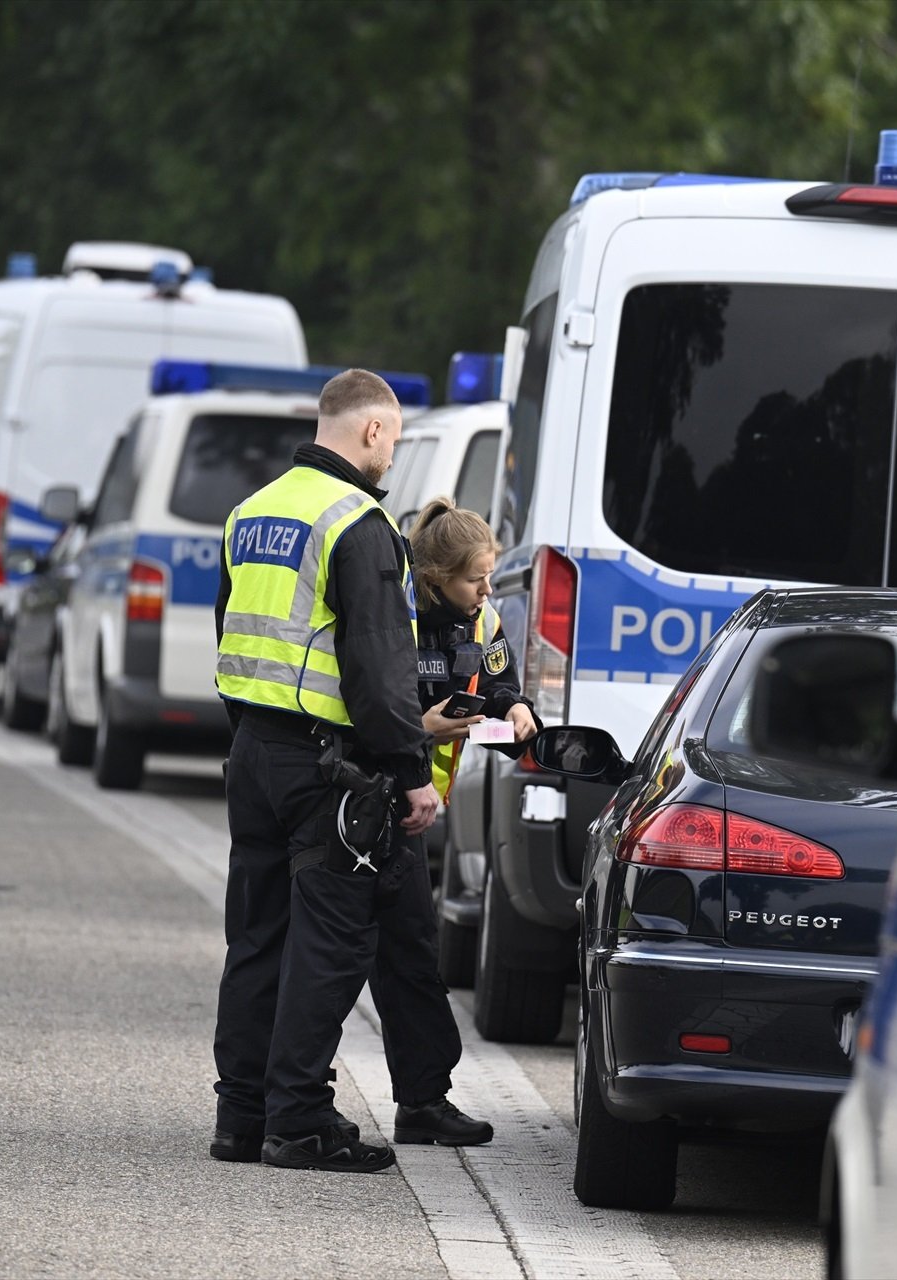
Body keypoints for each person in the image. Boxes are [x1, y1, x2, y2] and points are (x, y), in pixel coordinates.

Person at [208, 369, 491, 1174]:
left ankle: (242, 1114)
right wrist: (409, 773)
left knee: (258, 937)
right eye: (393, 441)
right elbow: (377, 665)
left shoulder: (251, 511)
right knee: (330, 946)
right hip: (328, 767)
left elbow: (232, 640)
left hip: (255, 753)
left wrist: (252, 737)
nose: (391, 457)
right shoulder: (359, 524)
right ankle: (297, 1122)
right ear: (370, 431)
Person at [404, 497, 540, 795]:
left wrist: (514, 709)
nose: (487, 589)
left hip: (427, 795)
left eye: (489, 576)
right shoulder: (399, 615)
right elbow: (373, 707)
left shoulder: (484, 620)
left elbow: (494, 687)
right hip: (377, 784)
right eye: (475, 579)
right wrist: (420, 731)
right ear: (435, 577)